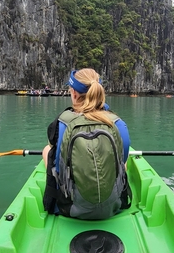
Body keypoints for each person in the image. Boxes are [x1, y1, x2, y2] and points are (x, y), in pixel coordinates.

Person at [42, 68, 131, 219]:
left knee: (47, 150)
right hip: (113, 207)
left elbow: (56, 161)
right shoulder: (118, 123)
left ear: (74, 94)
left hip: (69, 207)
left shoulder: (61, 122)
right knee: (123, 161)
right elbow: (122, 161)